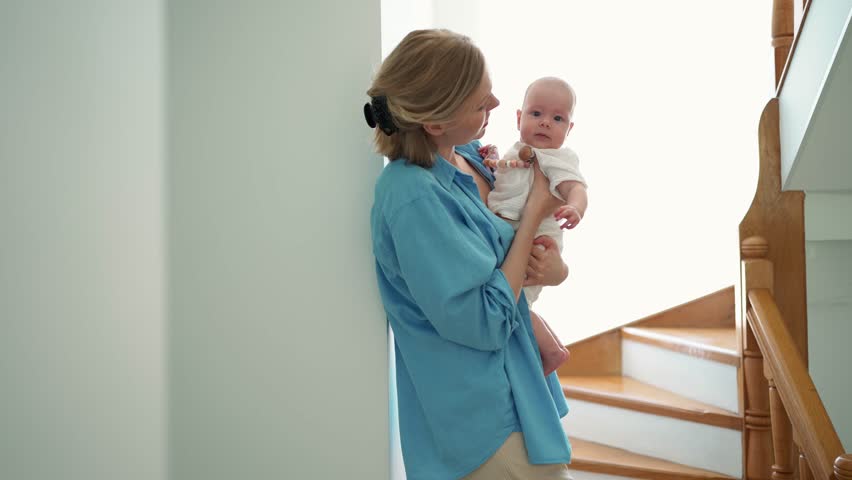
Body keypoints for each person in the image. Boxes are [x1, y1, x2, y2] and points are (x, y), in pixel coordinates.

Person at [367, 30, 573, 480]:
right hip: (483, 417)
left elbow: (515, 255)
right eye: (481, 103)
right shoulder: (413, 197)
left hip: (521, 386)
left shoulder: (466, 157)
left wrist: (556, 269)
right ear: (435, 122)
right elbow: (483, 322)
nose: (497, 105)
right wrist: (539, 205)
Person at [479, 77, 589, 376]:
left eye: (557, 118)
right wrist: (492, 160)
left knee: (515, 303)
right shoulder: (517, 151)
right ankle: (550, 346)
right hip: (514, 236)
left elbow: (576, 188)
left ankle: (552, 351)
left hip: (537, 242)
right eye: (536, 114)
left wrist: (575, 207)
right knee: (516, 302)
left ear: (569, 129)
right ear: (519, 118)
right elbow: (506, 179)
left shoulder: (557, 159)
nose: (545, 123)